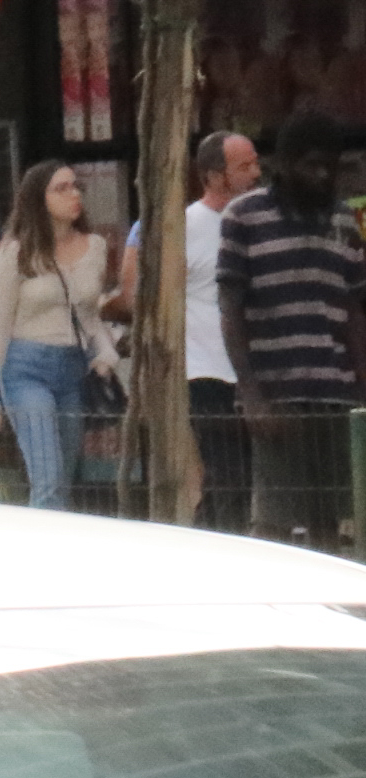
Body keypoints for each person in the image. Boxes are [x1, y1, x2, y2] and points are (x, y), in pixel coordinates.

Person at [217, 112, 366, 546]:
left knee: (331, 524)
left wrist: (362, 389)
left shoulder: (342, 221)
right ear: (283, 163)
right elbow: (231, 308)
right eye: (310, 165)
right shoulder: (243, 217)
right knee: (273, 524)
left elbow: (354, 310)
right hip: (276, 397)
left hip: (334, 397)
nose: (321, 176)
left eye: (329, 167)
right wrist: (251, 395)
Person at [137, 129, 264, 530]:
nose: (256, 173)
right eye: (244, 166)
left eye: (256, 162)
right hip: (207, 371)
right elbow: (158, 296)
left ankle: (205, 538)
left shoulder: (260, 219)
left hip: (256, 369)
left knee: (245, 477)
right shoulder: (186, 227)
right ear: (212, 176)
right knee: (229, 475)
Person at [0, 159, 120, 512]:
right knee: (48, 477)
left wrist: (106, 353)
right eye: (61, 188)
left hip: (73, 367)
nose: (74, 195)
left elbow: (89, 315)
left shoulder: (95, 247)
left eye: (76, 186)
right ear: (37, 199)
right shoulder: (16, 253)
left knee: (66, 476)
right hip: (25, 368)